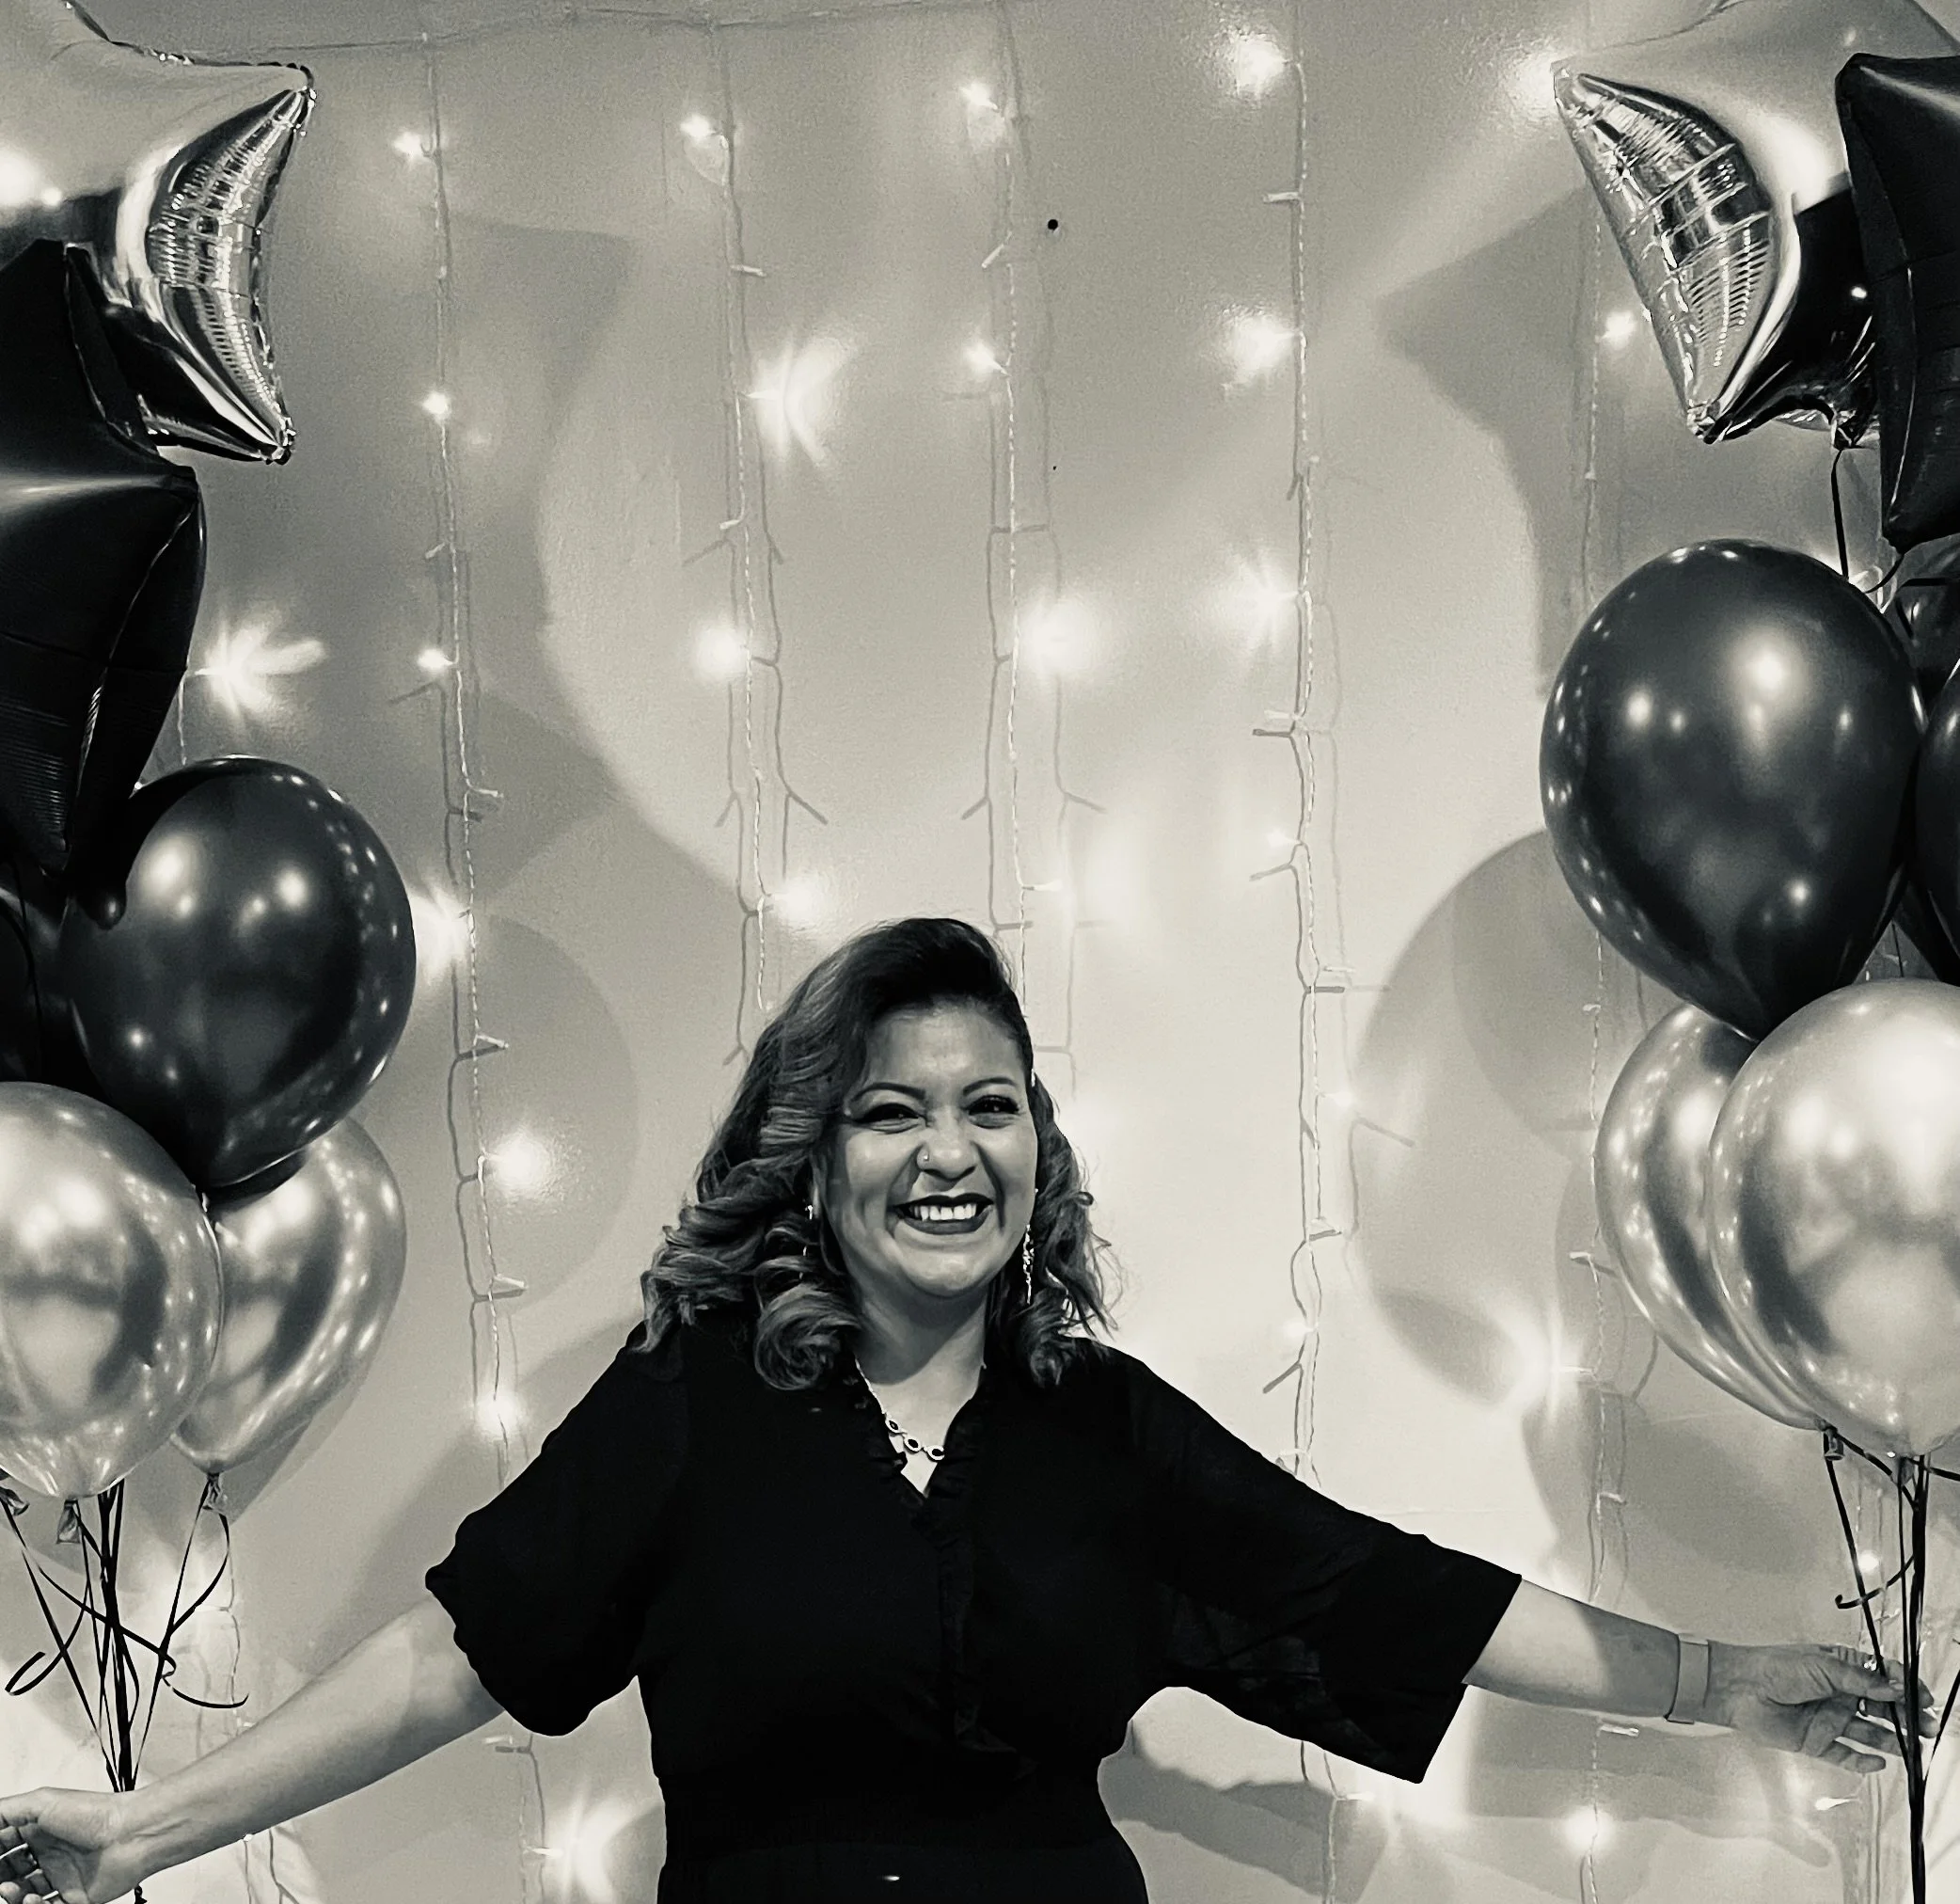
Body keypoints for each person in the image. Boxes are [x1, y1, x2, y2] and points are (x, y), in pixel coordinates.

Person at [0, 918, 1927, 1904]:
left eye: (989, 1105)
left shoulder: (1101, 1428)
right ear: (810, 1155)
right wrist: (144, 1827)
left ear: (1038, 1148)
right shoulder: (691, 1410)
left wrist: (1706, 1679)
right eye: (892, 1108)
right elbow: (453, 1650)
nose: (949, 1152)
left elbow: (1384, 1590)